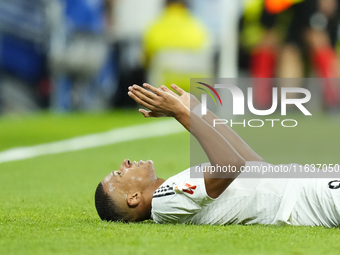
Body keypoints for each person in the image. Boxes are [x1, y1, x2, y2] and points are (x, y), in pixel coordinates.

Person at [95, 83, 340, 227]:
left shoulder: (169, 190)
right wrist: (181, 113)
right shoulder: (164, 202)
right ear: (134, 198)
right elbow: (230, 164)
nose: (124, 164)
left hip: (309, 185)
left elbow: (253, 165)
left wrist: (196, 110)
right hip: (310, 198)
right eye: (119, 173)